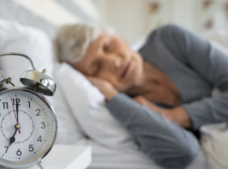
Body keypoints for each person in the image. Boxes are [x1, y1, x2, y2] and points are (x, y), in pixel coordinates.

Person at [54, 23, 228, 169]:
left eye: (108, 47)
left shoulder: (168, 39)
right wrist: (112, 95)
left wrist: (175, 116)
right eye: (97, 68)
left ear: (121, 37)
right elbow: (183, 152)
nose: (114, 62)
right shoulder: (127, 109)